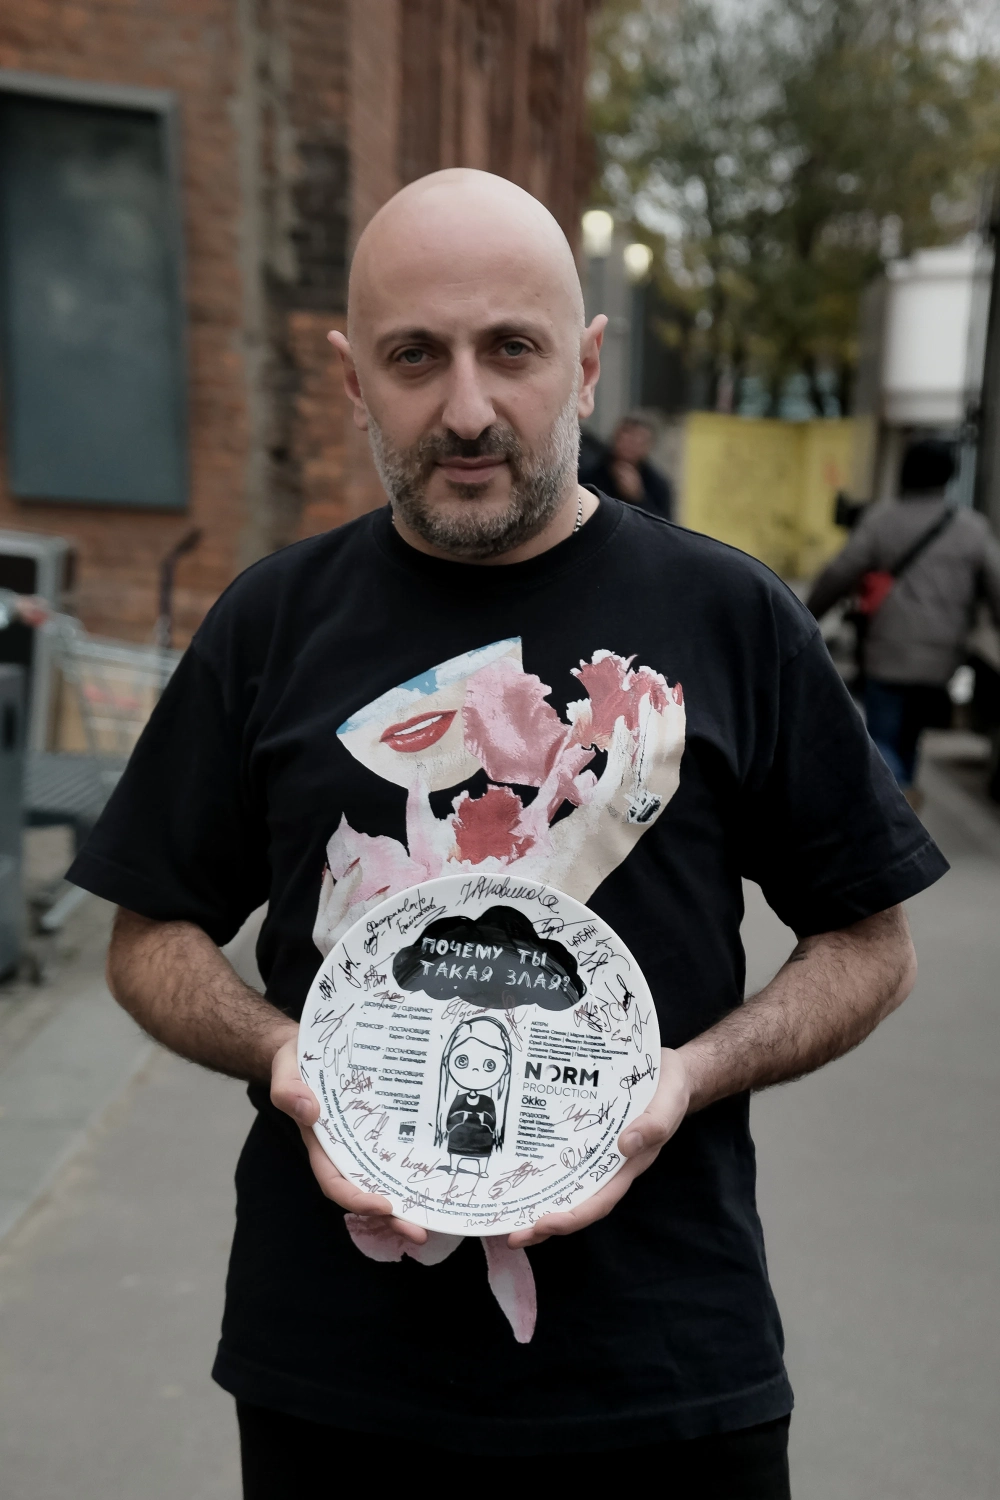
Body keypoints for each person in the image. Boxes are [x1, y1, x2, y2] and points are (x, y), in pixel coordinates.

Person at [69, 169, 947, 1497]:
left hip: (663, 1375)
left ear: (585, 365)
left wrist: (686, 1078)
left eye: (513, 350)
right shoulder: (269, 624)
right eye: (415, 357)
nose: (468, 409)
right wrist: (282, 1051)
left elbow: (870, 943)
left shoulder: (731, 618)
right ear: (353, 379)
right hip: (338, 1374)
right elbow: (149, 933)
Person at [807, 438, 1000, 805]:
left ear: (905, 472)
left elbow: (839, 574)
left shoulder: (882, 520)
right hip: (943, 656)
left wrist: (805, 615)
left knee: (882, 736)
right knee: (911, 736)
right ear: (949, 476)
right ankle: (902, 796)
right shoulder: (972, 528)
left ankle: (897, 792)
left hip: (888, 650)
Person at [580, 410, 674, 520]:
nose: (629, 446)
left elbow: (662, 524)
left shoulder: (656, 483)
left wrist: (638, 498)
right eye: (626, 438)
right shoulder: (590, 471)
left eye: (638, 441)